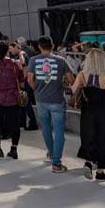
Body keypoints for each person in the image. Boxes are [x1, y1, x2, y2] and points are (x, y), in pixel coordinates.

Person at [26, 35, 74, 173]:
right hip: (57, 99)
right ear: (52, 46)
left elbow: (30, 79)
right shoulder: (61, 60)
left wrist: (37, 89)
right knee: (59, 131)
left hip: (41, 99)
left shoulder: (34, 60)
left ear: (39, 47)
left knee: (46, 129)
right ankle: (56, 163)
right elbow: (71, 79)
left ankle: (52, 154)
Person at [73, 48, 105, 181]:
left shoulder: (82, 75)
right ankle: (100, 172)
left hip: (88, 110)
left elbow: (73, 90)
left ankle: (88, 162)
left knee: (89, 136)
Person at [0, 42, 24, 160]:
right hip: (13, 97)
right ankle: (14, 149)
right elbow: (21, 80)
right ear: (8, 50)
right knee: (14, 124)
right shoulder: (15, 63)